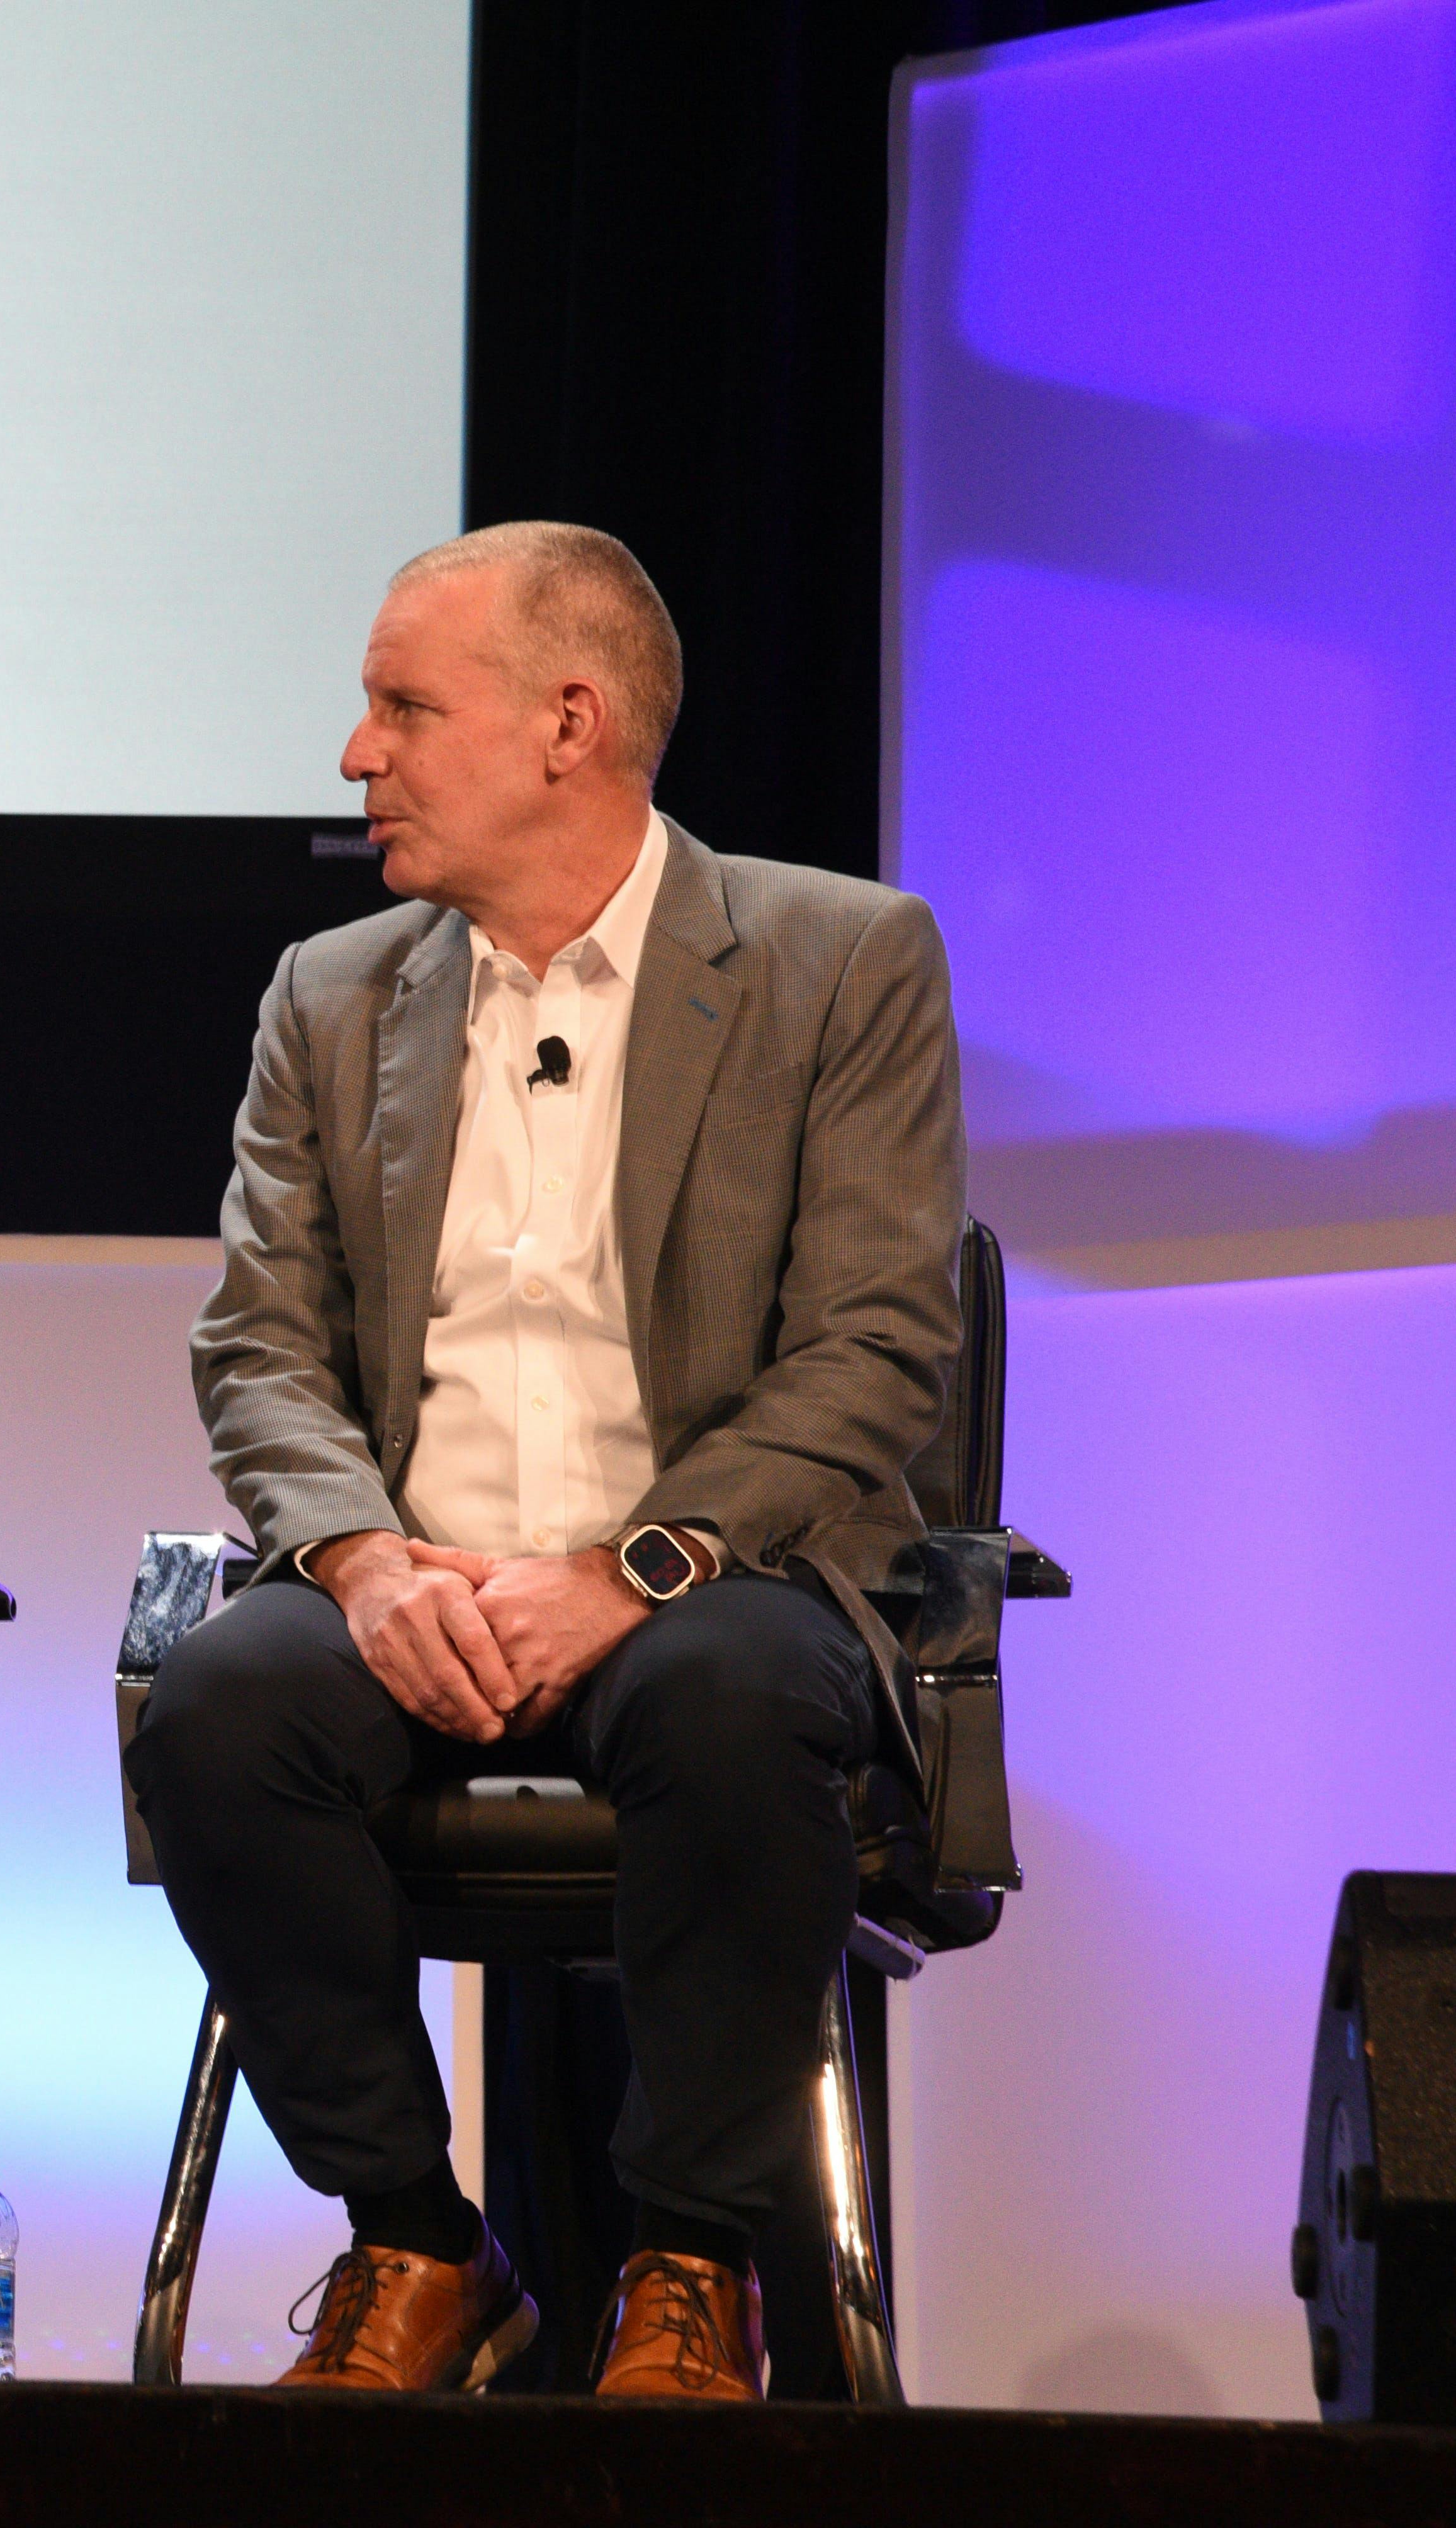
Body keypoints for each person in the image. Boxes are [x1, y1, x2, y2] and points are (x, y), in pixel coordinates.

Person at [126, 524, 964, 2400]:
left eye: (405, 708)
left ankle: (689, 2262)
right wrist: (361, 1562)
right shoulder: (334, 999)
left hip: (712, 1585)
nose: (359, 754)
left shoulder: (839, 963)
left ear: (571, 723)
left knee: (734, 1706)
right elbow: (259, 1344)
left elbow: (876, 1349)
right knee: (217, 1713)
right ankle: (420, 2247)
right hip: (412, 1589)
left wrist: (633, 1570)